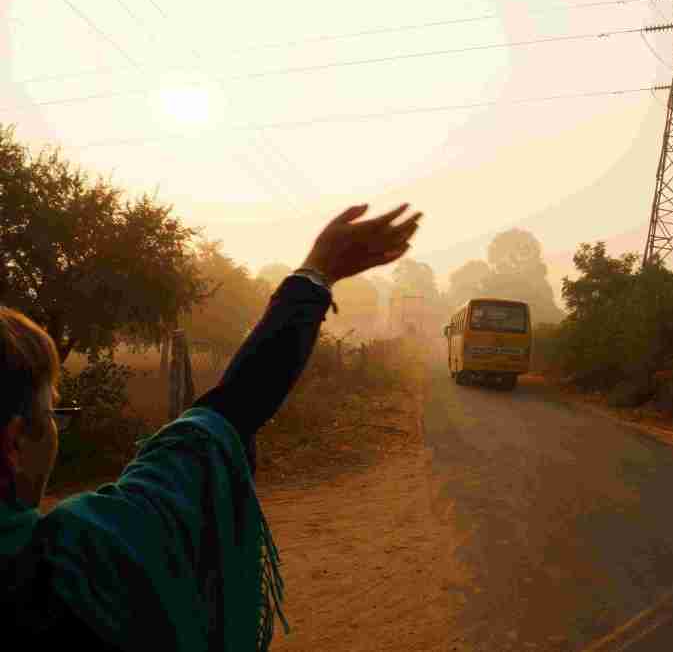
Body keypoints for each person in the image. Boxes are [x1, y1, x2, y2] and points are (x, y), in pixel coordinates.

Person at [0, 203, 421, 651]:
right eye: (54, 413)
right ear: (16, 441)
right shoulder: (73, 569)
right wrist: (317, 274)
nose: (56, 428)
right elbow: (228, 414)